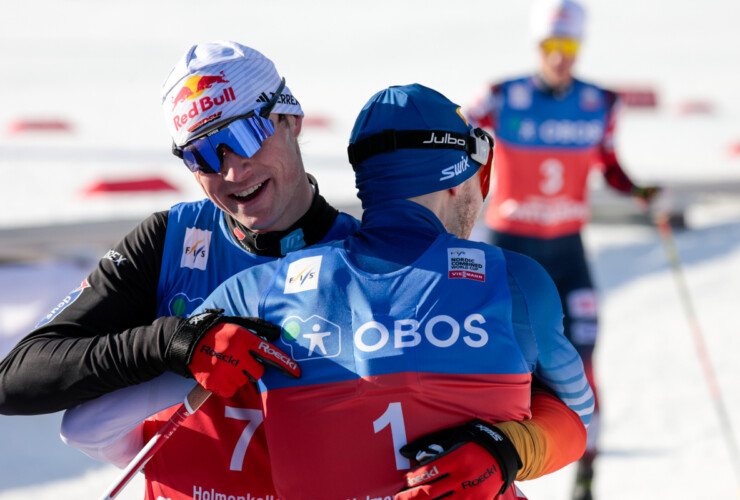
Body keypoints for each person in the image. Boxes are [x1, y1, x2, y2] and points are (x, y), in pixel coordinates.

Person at [0, 43, 586, 500]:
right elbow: (18, 377)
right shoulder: (177, 239)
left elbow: (537, 401)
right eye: (202, 155)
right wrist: (175, 342)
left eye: (244, 135)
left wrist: (508, 449)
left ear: (291, 119)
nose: (231, 171)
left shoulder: (367, 260)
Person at [182, 83, 594, 499]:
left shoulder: (264, 288)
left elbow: (158, 358)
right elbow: (577, 415)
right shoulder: (512, 280)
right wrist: (507, 449)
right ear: (458, 176)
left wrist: (187, 339)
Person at [466, 1, 661, 499]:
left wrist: (641, 193)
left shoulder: (600, 102)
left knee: (586, 357)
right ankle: (485, 462)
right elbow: (456, 139)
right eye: (551, 47)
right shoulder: (502, 96)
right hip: (509, 248)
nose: (560, 57)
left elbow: (611, 165)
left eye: (568, 47)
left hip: (568, 253)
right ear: (538, 47)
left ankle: (588, 467)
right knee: (493, 356)